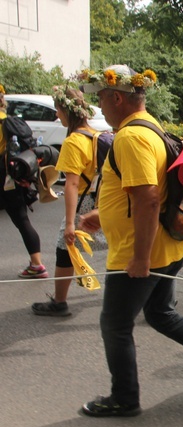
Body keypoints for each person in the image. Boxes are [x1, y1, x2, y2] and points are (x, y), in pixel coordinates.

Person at [76, 65, 183, 416]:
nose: (100, 108)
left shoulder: (131, 137)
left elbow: (149, 198)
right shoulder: (148, 127)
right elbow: (140, 192)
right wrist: (102, 216)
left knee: (115, 325)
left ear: (117, 97)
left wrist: (139, 258)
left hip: (143, 254)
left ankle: (124, 397)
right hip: (166, 246)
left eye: (102, 100)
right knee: (161, 314)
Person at [31, 85, 108, 316]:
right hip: (102, 201)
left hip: (83, 205)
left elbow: (72, 184)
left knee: (64, 247)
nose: (56, 115)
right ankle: (157, 297)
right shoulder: (97, 136)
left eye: (58, 110)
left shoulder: (74, 141)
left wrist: (70, 223)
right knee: (126, 246)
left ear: (67, 111)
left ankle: (59, 302)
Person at [0, 83, 48, 279]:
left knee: (21, 220)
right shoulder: (9, 121)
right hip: (12, 176)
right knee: (22, 220)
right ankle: (36, 264)